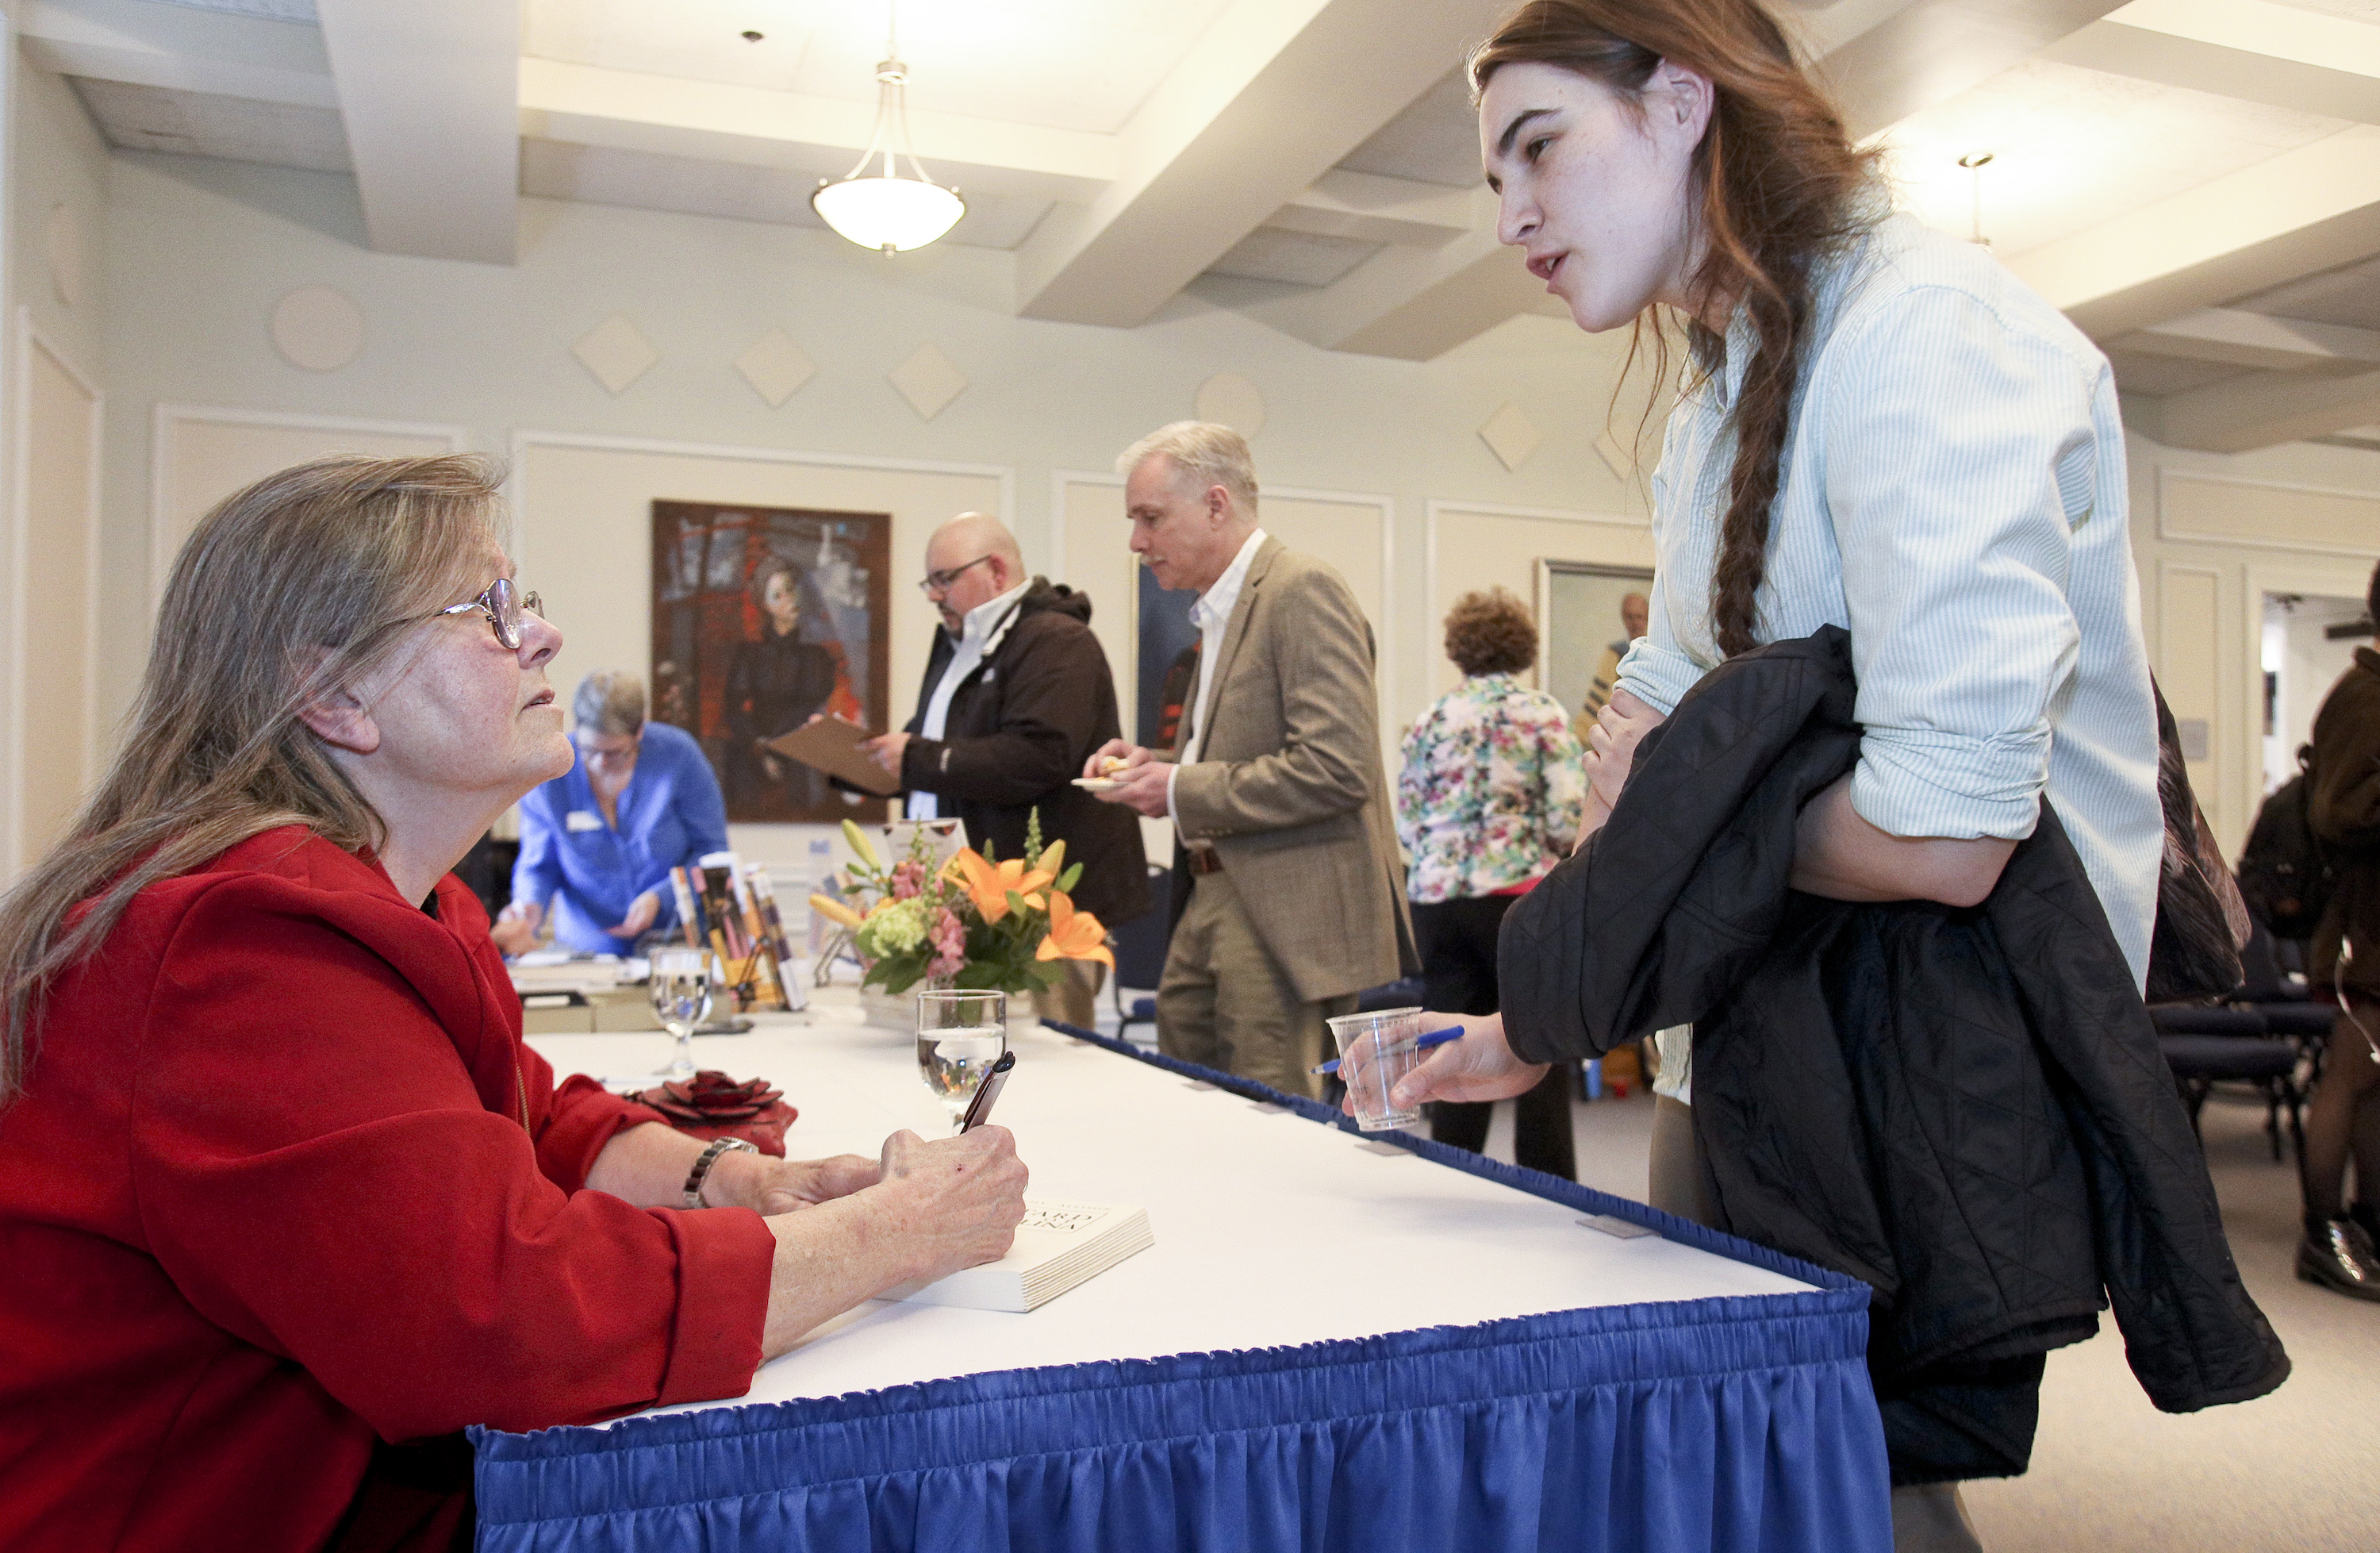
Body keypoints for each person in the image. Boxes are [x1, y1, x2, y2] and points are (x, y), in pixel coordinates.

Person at [1388, 4, 2184, 1546]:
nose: (1511, 220)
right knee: (1738, 1473)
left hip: (1921, 1065)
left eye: (1538, 149)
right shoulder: (1721, 393)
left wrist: (1695, 807)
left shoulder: (1921, 332)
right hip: (1758, 1033)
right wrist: (1536, 1015)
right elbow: (1645, 755)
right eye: (1493, 183)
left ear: (1681, 102)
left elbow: (1946, 833)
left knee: (1835, 1490)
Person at [0, 455, 1027, 1552]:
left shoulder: (389, 892)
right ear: (336, 696)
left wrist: (739, 1181)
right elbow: (509, 1320)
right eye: (486, 609)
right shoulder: (245, 941)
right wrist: (895, 1234)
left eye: (521, 599)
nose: (539, 633)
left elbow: (521, 1114)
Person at [1086, 421, 1418, 1101]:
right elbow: (1245, 749)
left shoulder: (1301, 588)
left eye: (1150, 518)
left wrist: (1178, 785)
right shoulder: (1225, 609)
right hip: (1217, 888)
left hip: (1281, 903)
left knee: (1271, 1116)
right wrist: (1153, 762)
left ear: (1215, 504)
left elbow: (1337, 766)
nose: (1136, 542)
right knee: (1195, 1092)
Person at [858, 512, 1149, 1028]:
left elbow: (1038, 757)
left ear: (996, 570)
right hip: (963, 906)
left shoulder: (1058, 641)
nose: (933, 594)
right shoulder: (960, 648)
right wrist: (857, 758)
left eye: (944, 579)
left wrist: (920, 757)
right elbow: (936, 750)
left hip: (1041, 911)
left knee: (1042, 1063)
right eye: (930, 581)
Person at [1398, 588, 1584, 1178]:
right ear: (1522, 647)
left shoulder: (1430, 719)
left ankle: (1450, 1175)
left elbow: (1407, 819)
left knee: (1451, 1042)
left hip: (1439, 902)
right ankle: (1549, 1184)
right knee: (1534, 1039)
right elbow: (1566, 813)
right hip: (1515, 899)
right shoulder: (1543, 713)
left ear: (1460, 650)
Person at [493, 669, 728, 956]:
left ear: (639, 732)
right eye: (590, 750)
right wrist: (530, 904)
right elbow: (539, 863)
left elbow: (712, 853)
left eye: (616, 753)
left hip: (675, 941)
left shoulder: (678, 756)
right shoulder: (550, 772)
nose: (601, 763)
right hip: (586, 947)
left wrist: (662, 897)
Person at [2301, 560, 2380, 1300]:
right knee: (2350, 1081)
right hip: (2366, 935)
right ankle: (2322, 1234)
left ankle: (2367, 1221)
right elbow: (2337, 812)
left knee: (2373, 1089)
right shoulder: (2366, 696)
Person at [723, 555, 854, 817]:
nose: (789, 600)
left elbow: (816, 708)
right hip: (757, 746)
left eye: (791, 591)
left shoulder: (817, 656)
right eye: (777, 596)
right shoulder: (751, 655)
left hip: (801, 747)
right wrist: (760, 747)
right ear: (765, 605)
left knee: (811, 784)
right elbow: (733, 709)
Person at [1573, 588, 1649, 733]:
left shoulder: (1656, 653)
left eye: (1639, 617)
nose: (1635, 623)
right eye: (1630, 617)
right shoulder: (1614, 654)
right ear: (1624, 619)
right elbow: (1597, 700)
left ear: (1647, 618)